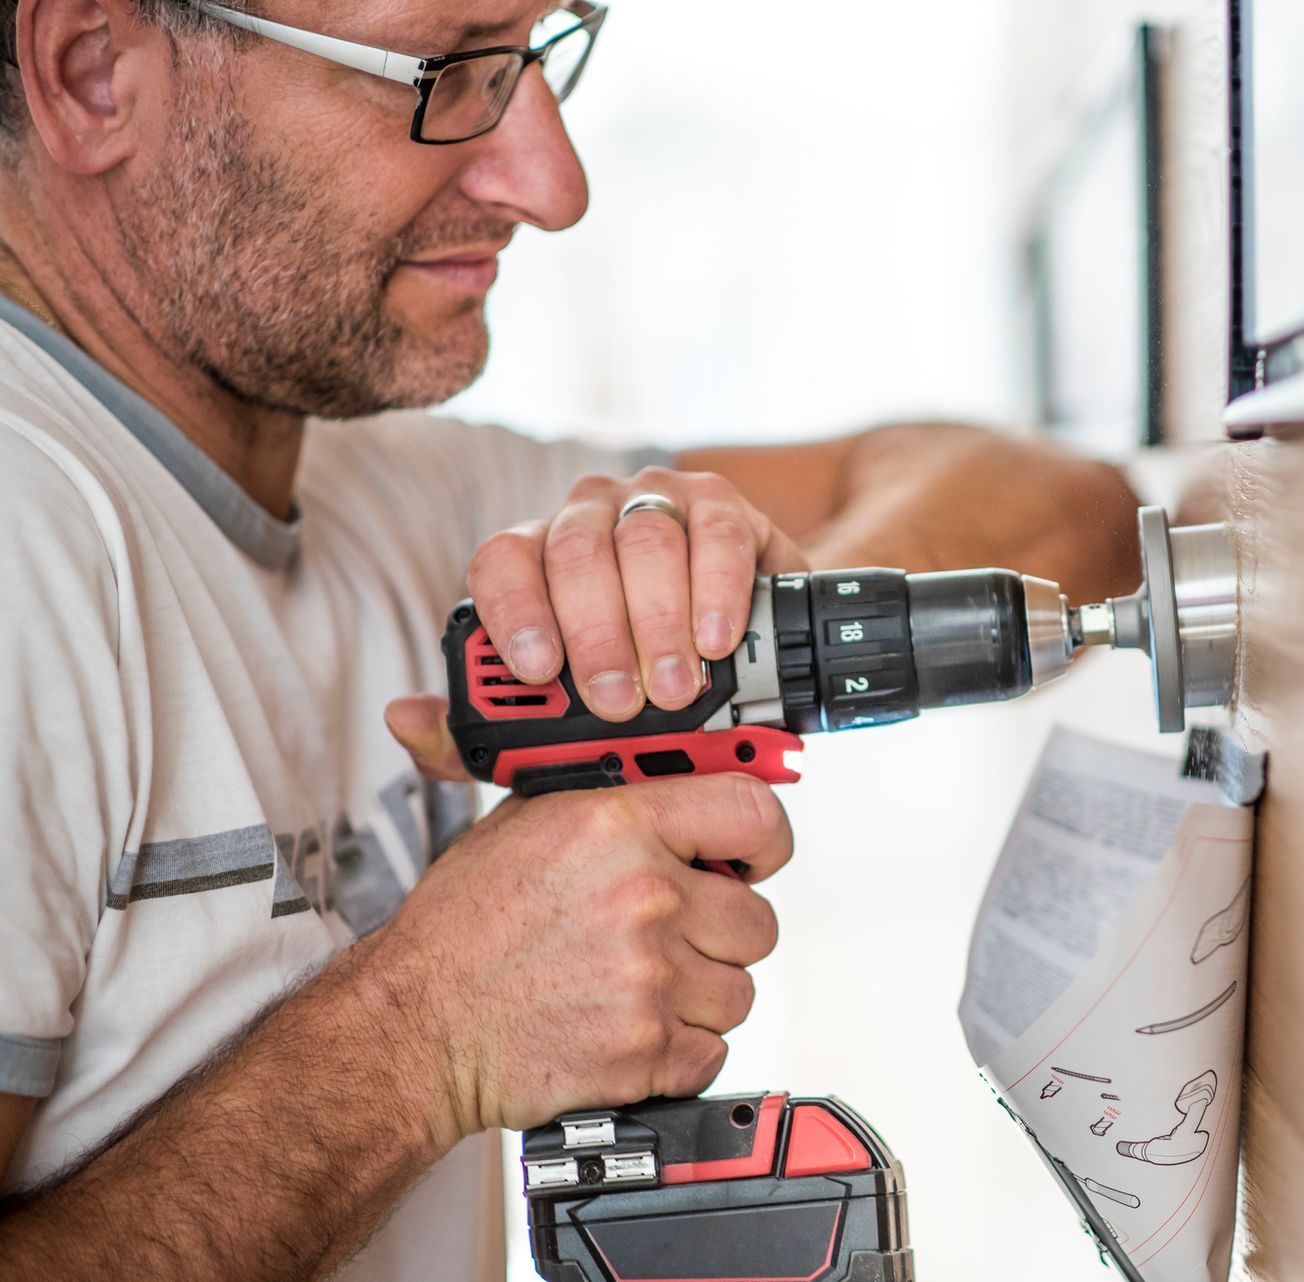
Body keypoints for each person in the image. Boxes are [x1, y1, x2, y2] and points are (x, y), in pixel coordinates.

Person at [0, 1, 1140, 1276]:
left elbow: (1065, 506)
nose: (553, 184)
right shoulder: (26, 536)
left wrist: (760, 619)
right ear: (93, 74)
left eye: (539, 51)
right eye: (446, 72)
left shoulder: (387, 488)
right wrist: (424, 1037)